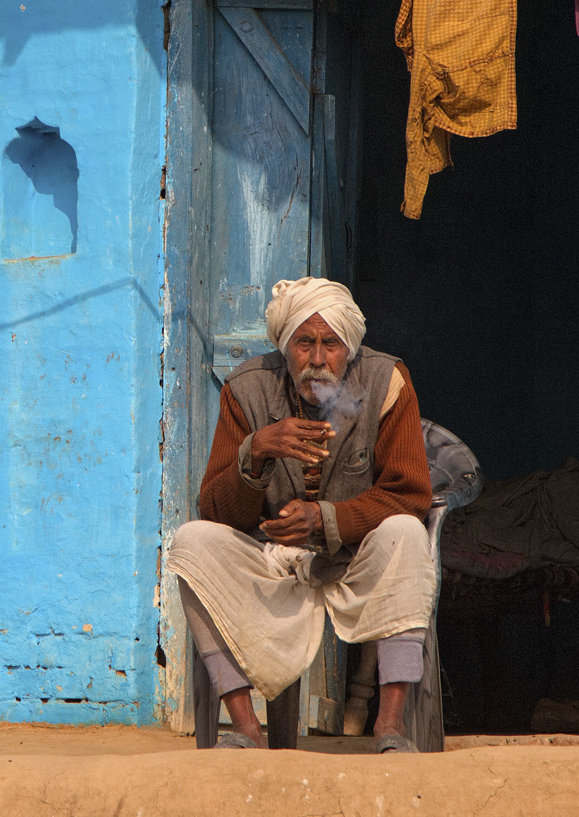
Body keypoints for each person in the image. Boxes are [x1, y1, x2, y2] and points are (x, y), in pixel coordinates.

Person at [169, 277, 435, 752]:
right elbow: (214, 511)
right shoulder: (246, 388)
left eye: (330, 344)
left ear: (349, 348)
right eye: (304, 343)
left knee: (407, 534)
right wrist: (255, 453)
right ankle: (246, 729)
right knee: (192, 543)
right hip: (277, 560)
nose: (316, 359)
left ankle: (389, 728)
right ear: (284, 346)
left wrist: (326, 519)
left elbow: (410, 494)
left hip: (355, 556)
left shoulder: (386, 381)